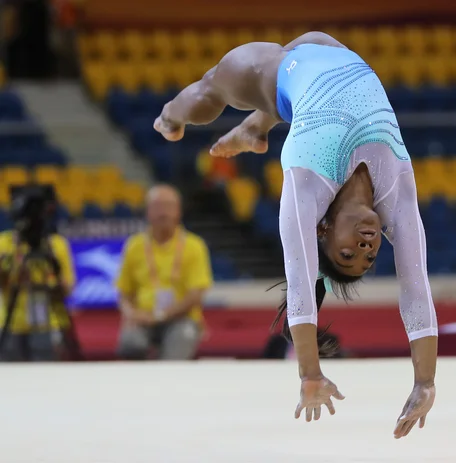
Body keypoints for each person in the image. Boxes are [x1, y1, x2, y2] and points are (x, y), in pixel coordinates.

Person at [153, 31, 438, 439]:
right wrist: (425, 381)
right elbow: (416, 285)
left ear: (322, 229)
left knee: (215, 85)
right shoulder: (396, 188)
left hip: (281, 74)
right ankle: (255, 127)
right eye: (370, 257)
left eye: (347, 254)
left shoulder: (308, 182)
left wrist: (309, 375)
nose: (366, 248)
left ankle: (170, 116)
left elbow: (302, 285)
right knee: (297, 76)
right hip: (336, 52)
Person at [115, 184, 212, 360]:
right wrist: (131, 314)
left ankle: (168, 383)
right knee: (130, 341)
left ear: (178, 211)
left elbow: (196, 295)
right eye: (157, 206)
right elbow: (124, 293)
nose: (163, 212)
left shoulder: (194, 246)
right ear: (147, 211)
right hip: (143, 318)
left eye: (168, 206)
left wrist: (162, 315)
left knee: (182, 340)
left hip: (181, 318)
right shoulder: (134, 246)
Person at [0, 228, 76, 361]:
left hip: (48, 324)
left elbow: (68, 290)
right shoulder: (5, 243)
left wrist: (47, 279)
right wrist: (11, 268)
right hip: (11, 324)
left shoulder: (56, 244)